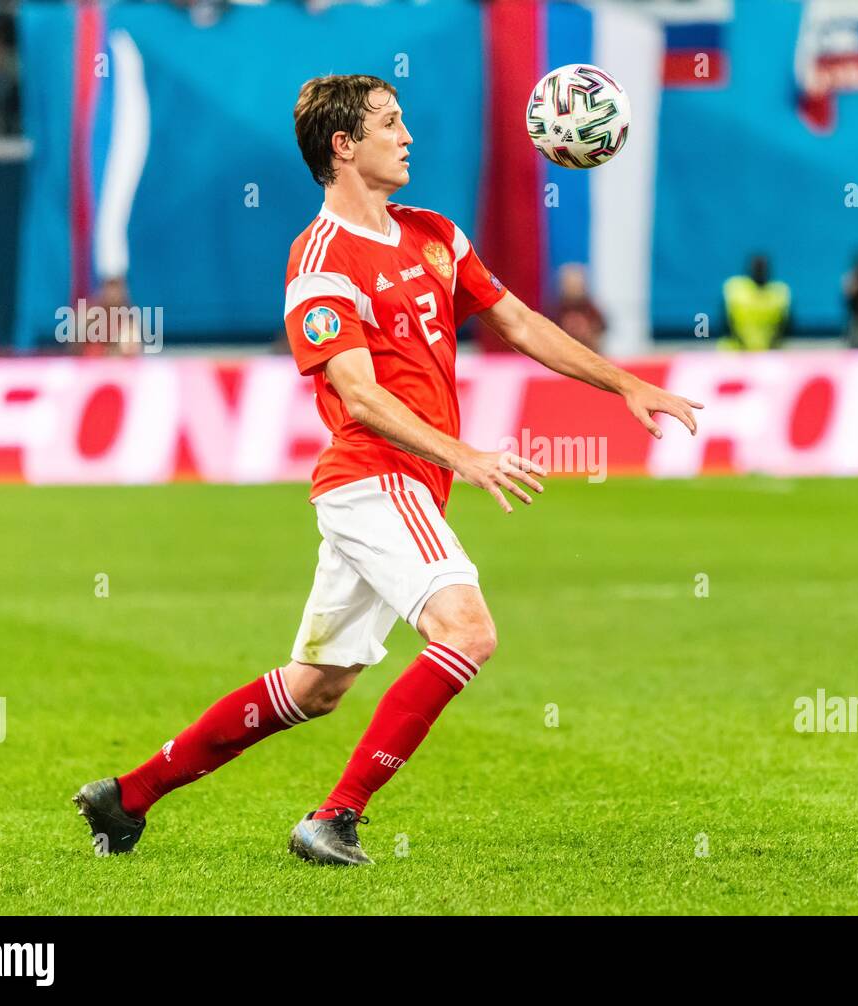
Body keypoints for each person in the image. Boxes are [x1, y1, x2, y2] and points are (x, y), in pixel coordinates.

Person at [72, 74, 703, 867]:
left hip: (407, 483)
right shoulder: (319, 260)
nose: (407, 137)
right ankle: (334, 817)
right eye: (389, 124)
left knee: (316, 686)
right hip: (375, 476)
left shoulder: (433, 233)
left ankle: (127, 796)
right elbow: (360, 397)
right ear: (343, 145)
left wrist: (627, 384)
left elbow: (520, 323)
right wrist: (464, 455)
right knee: (467, 632)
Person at [720, 254, 790, 350]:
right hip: (736, 351)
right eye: (757, 268)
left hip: (770, 351)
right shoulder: (734, 289)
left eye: (762, 269)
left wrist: (772, 346)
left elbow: (784, 326)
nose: (760, 272)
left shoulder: (779, 292)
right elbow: (726, 322)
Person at [550, 263, 606, 352]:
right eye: (569, 283)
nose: (573, 287)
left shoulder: (591, 310)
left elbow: (600, 335)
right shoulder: (556, 312)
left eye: (576, 283)